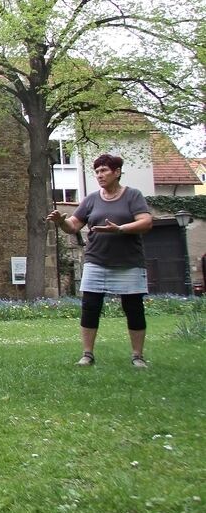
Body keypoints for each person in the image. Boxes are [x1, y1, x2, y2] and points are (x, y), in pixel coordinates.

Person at [46, 153, 153, 368]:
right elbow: (73, 226)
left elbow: (146, 222)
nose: (99, 175)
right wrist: (60, 222)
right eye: (96, 171)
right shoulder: (91, 199)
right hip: (96, 261)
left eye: (104, 170)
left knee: (133, 308)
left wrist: (120, 229)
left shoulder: (133, 196)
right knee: (90, 307)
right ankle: (87, 354)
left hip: (128, 263)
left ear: (117, 172)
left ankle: (137, 356)